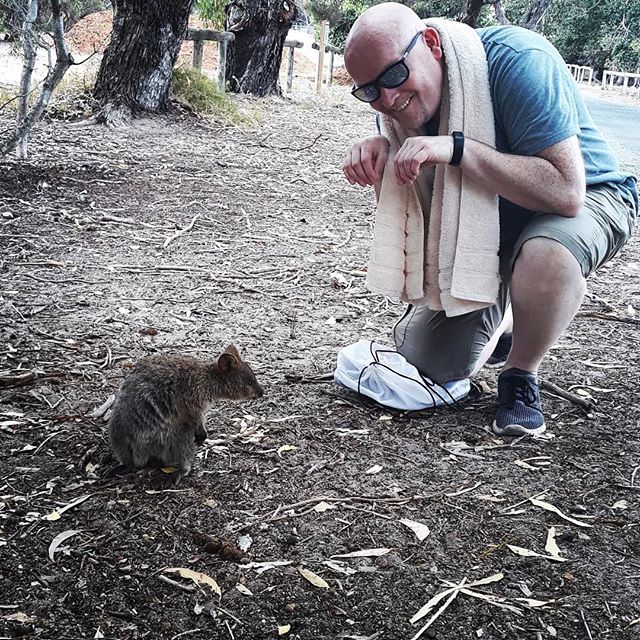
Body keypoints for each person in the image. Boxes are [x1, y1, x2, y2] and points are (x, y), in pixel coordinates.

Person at [342, 2, 638, 436]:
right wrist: (385, 159)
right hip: (494, 222)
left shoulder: (517, 61)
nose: (386, 98)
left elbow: (566, 193)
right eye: (369, 90)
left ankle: (520, 372)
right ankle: (507, 312)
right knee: (426, 360)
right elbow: (422, 214)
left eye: (392, 76)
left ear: (430, 44)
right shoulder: (396, 107)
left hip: (590, 197)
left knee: (544, 255)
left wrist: (458, 150)